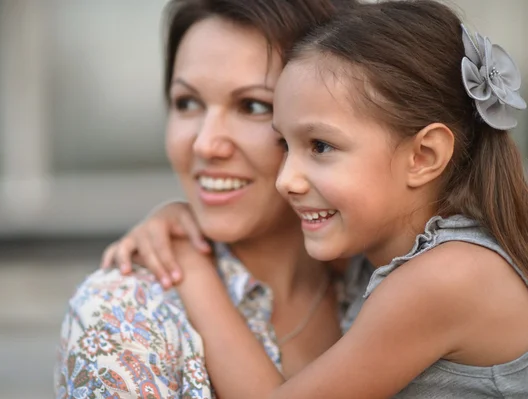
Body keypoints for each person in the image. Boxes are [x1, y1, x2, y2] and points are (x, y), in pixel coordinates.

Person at [152, 1, 528, 398]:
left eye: (320, 146)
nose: (286, 180)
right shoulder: (384, 255)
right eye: (284, 143)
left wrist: (190, 267)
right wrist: (174, 216)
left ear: (423, 156)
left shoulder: (446, 277)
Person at [54, 1, 370, 398]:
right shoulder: (123, 314)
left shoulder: (382, 282)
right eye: (187, 103)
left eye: (253, 106)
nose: (205, 143)